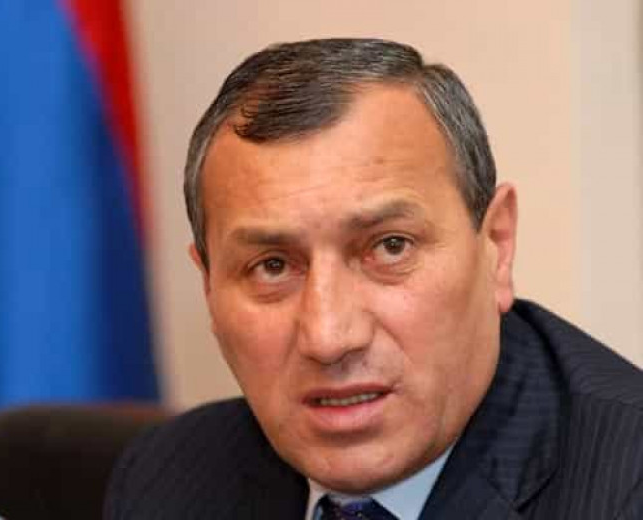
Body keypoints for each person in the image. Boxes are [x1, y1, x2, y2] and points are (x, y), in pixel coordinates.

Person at [104, 38, 643, 519]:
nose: (329, 337)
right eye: (273, 266)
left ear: (496, 246)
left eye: (390, 247)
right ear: (209, 286)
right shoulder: (166, 477)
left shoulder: (625, 484)